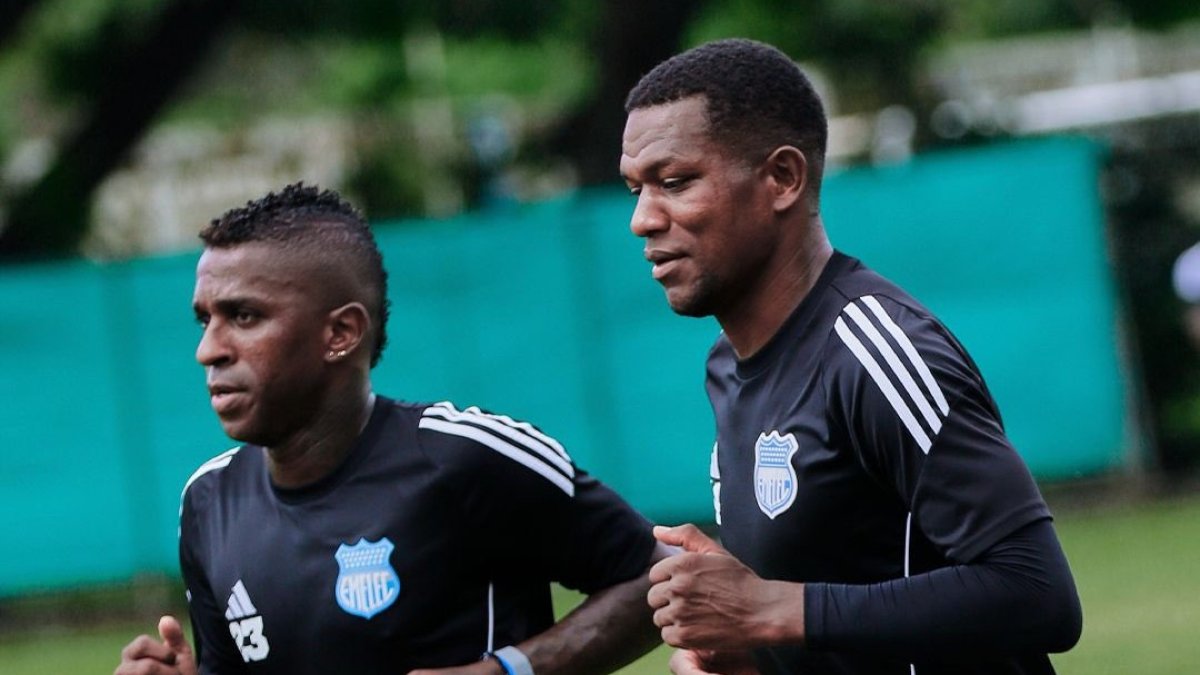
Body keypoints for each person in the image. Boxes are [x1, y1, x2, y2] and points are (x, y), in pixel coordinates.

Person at [618, 38, 1083, 674]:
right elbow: (836, 605)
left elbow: (1037, 595)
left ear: (782, 178)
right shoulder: (725, 366)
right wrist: (741, 653)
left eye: (674, 182)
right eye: (635, 189)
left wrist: (769, 611)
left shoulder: (876, 352)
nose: (643, 219)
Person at [115, 183, 668, 675]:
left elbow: (660, 580)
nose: (208, 349)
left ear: (341, 333)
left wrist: (511, 669)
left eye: (244, 317)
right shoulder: (208, 502)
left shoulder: (463, 458)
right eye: (204, 320)